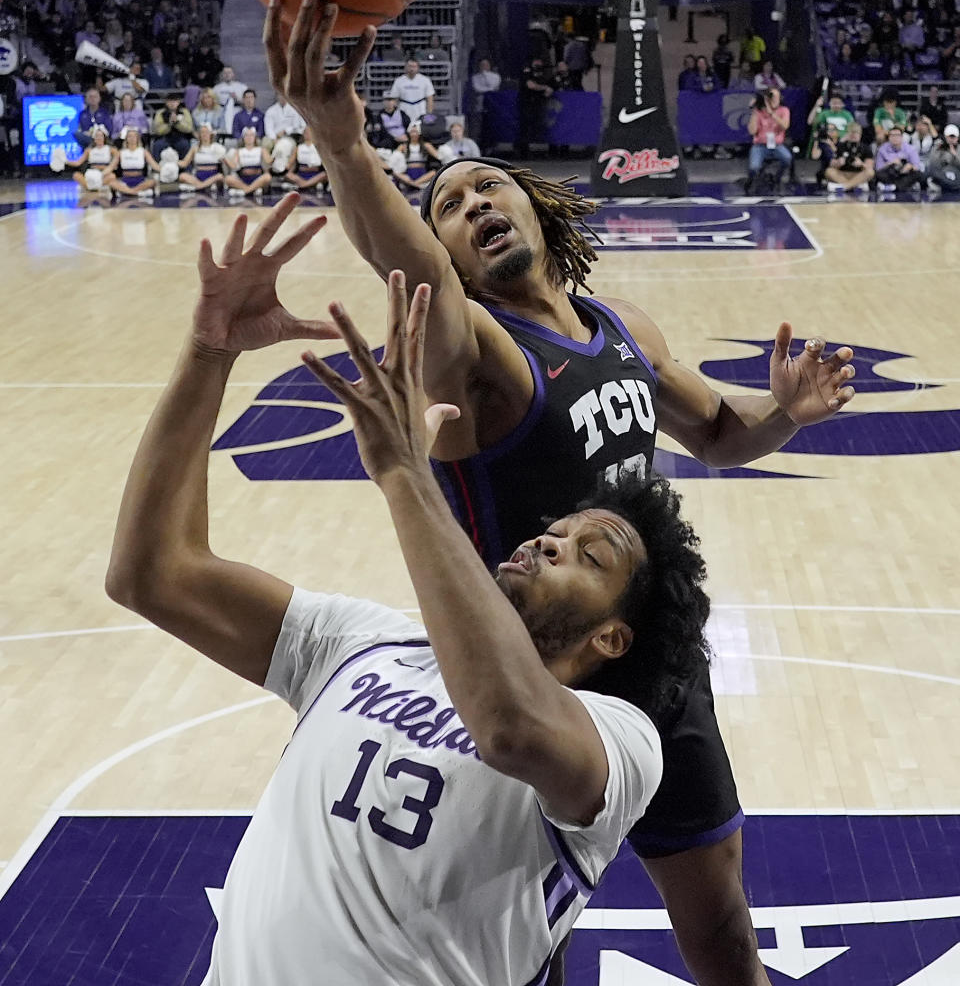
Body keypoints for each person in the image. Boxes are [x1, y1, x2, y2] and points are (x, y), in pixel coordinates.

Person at [264, 0, 859, 986]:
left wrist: (786, 412)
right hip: (529, 680)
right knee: (508, 946)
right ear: (446, 256)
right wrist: (344, 146)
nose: (473, 207)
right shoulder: (478, 354)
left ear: (538, 205)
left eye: (488, 188)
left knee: (719, 928)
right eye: (448, 208)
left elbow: (716, 432)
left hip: (652, 660)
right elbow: (409, 272)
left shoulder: (622, 327)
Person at [105, 218, 700, 984]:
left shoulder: (622, 742)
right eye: (557, 529)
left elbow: (510, 727)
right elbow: (152, 572)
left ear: (615, 639)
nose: (550, 541)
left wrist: (406, 476)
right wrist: (208, 351)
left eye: (589, 555)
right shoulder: (362, 641)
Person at [746, 87, 792, 188]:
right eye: (772, 97)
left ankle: (777, 178)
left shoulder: (784, 110)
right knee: (754, 167)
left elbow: (785, 125)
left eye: (777, 97)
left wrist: (771, 113)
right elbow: (752, 131)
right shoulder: (759, 112)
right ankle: (751, 180)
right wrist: (754, 111)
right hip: (760, 146)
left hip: (777, 145)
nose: (774, 100)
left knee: (787, 158)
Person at [819, 122, 874, 194]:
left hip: (858, 174)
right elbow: (832, 164)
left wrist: (861, 164)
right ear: (847, 134)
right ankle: (856, 186)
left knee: (870, 172)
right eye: (851, 133)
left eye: (856, 133)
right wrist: (838, 163)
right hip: (843, 174)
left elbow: (869, 166)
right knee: (829, 171)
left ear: (860, 134)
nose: (853, 135)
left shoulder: (866, 148)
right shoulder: (841, 146)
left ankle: (845, 187)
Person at [517, 56, 554, 158]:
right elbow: (531, 85)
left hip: (538, 105)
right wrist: (544, 88)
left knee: (539, 127)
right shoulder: (527, 71)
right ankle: (523, 152)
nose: (539, 64)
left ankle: (547, 151)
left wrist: (549, 89)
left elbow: (550, 84)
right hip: (526, 104)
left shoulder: (544, 73)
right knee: (525, 128)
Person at [110, 127, 160, 198]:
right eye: (130, 136)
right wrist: (100, 174)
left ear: (137, 138)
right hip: (125, 180)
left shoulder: (143, 151)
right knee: (112, 183)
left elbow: (154, 165)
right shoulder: (121, 152)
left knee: (153, 182)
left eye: (134, 136)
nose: (132, 138)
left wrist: (165, 170)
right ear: (126, 139)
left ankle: (127, 192)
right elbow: (111, 167)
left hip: (140, 180)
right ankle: (136, 193)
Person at [873, 125, 924, 192]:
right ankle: (902, 187)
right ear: (889, 137)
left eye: (897, 135)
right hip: (890, 174)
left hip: (905, 174)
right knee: (878, 175)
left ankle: (892, 187)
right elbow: (878, 168)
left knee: (918, 174)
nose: (895, 138)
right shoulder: (882, 149)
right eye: (892, 135)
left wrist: (910, 166)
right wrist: (890, 163)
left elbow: (917, 166)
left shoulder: (911, 149)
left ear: (902, 137)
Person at [65, 123, 116, 189]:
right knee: (76, 175)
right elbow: (78, 163)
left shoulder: (111, 149)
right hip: (91, 173)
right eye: (97, 136)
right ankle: (91, 187)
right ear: (94, 138)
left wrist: (102, 174)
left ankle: (94, 187)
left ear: (104, 137)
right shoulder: (89, 150)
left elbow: (112, 165)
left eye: (101, 136)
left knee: (112, 176)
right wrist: (65, 161)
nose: (99, 138)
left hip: (104, 174)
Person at [225, 125, 271, 197]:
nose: (249, 137)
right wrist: (225, 159)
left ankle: (244, 191)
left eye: (251, 135)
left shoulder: (261, 149)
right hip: (243, 178)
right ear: (243, 138)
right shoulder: (239, 151)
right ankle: (251, 190)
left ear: (255, 137)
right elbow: (234, 166)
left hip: (257, 178)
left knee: (267, 177)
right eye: (246, 135)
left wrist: (275, 156)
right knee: (228, 179)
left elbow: (269, 161)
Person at [178, 123, 225, 192]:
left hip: (213, 176)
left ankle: (198, 187)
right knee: (182, 176)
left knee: (220, 177)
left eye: (206, 132)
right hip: (199, 176)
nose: (204, 134)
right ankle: (203, 186)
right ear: (199, 134)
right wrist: (173, 161)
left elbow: (224, 163)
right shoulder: (195, 148)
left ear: (210, 134)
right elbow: (184, 163)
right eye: (202, 132)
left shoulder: (216, 147)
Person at [151, 91, 195, 159]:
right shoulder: (160, 113)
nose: (172, 104)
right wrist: (169, 124)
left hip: (181, 137)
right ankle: (156, 168)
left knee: (185, 145)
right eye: (170, 101)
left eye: (174, 101)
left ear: (178, 102)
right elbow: (157, 130)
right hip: (164, 138)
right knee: (157, 145)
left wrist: (177, 123)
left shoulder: (184, 112)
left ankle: (187, 168)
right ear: (166, 102)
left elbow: (189, 128)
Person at [283, 125, 327, 192]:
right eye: (305, 132)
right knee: (286, 174)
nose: (307, 134)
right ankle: (310, 185)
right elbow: (290, 162)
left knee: (324, 175)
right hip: (301, 174)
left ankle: (303, 185)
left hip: (316, 173)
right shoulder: (299, 147)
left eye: (309, 132)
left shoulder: (320, 146)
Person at [927, 122, 960, 192]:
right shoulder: (938, 147)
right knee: (932, 172)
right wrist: (941, 152)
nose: (951, 139)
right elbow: (933, 164)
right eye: (949, 137)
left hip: (957, 174)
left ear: (957, 138)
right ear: (945, 137)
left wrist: (955, 155)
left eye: (953, 137)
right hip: (943, 173)